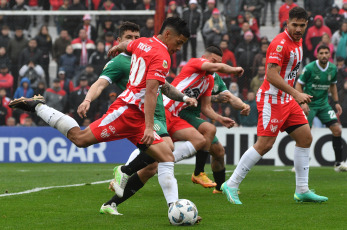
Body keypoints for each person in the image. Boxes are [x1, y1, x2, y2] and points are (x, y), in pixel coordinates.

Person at [9, 18, 192, 218]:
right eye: (179, 42)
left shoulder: (143, 43)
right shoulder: (162, 54)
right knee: (80, 139)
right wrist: (149, 127)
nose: (178, 48)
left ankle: (170, 208)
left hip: (139, 117)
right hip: (127, 111)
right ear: (167, 35)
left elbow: (127, 45)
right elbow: (150, 92)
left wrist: (117, 47)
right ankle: (38, 107)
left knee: (166, 155)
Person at [105, 46, 244, 213]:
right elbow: (214, 67)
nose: (214, 65)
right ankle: (116, 191)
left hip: (175, 117)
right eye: (213, 61)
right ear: (205, 58)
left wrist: (221, 119)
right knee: (150, 167)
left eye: (218, 63)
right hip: (161, 111)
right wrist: (235, 69)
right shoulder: (195, 64)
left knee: (201, 139)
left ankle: (170, 164)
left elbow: (206, 108)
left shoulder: (210, 81)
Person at [221, 7, 328, 204]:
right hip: (272, 99)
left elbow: (291, 73)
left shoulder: (298, 41)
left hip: (287, 99)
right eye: (294, 25)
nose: (297, 29)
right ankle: (232, 184)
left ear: (306, 25)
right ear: (286, 23)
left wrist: (295, 97)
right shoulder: (280, 44)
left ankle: (302, 190)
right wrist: (296, 94)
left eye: (302, 25)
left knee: (305, 138)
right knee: (265, 145)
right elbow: (271, 75)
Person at [296, 45, 347, 171]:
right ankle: (299, 163)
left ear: (329, 55)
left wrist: (336, 102)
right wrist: (303, 102)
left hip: (324, 105)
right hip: (310, 104)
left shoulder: (333, 68)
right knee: (304, 134)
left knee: (337, 130)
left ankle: (338, 164)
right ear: (317, 55)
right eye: (321, 53)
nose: (324, 55)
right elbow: (298, 84)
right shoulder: (309, 68)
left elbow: (333, 86)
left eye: (326, 53)